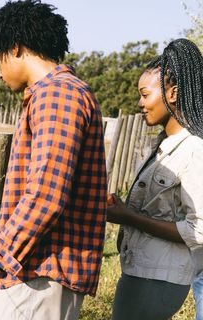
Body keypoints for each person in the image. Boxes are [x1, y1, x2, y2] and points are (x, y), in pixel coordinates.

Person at [0, 1, 108, 319]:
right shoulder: (56, 94)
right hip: (37, 271)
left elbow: (46, 196)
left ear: (17, 48)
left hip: (40, 277)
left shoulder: (56, 95)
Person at [108, 38, 203, 320]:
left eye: (145, 94)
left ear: (172, 93)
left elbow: (199, 230)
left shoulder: (194, 150)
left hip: (158, 279)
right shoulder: (163, 145)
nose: (139, 103)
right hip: (143, 272)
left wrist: (129, 217)